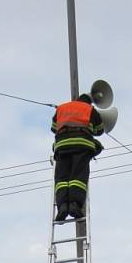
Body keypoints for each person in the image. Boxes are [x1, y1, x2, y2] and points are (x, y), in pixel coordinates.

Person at [51, 94, 104, 222]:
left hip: (62, 146)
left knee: (62, 178)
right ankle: (74, 205)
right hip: (81, 145)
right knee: (78, 177)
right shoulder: (90, 109)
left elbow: (53, 129)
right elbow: (100, 130)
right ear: (89, 103)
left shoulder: (61, 108)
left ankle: (62, 206)